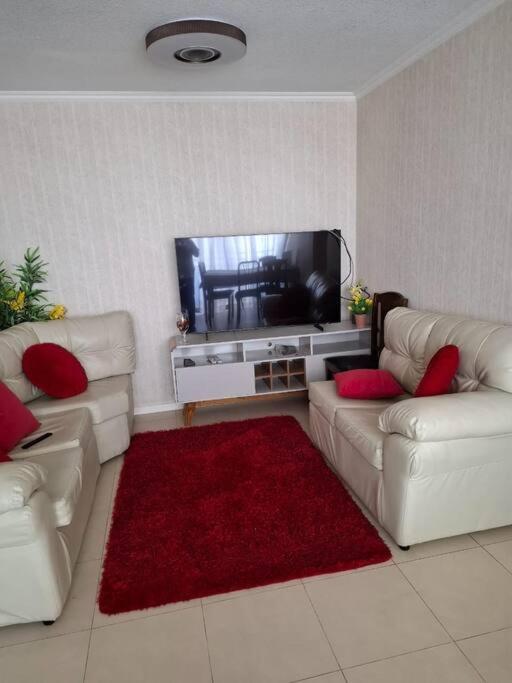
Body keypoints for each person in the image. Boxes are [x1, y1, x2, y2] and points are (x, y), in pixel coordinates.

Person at [176, 238, 199, 332]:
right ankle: (183, 328)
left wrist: (188, 245)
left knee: (190, 301)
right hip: (176, 276)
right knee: (180, 303)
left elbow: (197, 253)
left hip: (188, 275)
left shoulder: (188, 241)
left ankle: (192, 326)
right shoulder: (174, 242)